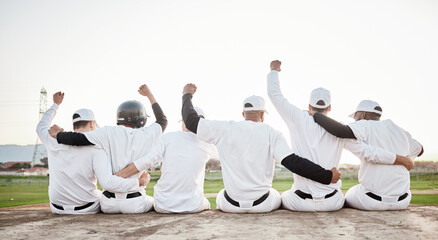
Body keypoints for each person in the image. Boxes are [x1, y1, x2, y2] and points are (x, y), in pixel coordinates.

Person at [267, 60, 413, 212]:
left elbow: (274, 94)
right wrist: (398, 158)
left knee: (280, 196)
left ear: (309, 106)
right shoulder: (340, 128)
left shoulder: (296, 117)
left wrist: (274, 70)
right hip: (332, 203)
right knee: (347, 194)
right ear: (330, 107)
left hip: (300, 202)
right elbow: (368, 152)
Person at [181, 83, 341, 213]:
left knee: (220, 195)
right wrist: (326, 176)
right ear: (263, 115)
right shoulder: (272, 132)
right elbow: (293, 162)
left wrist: (187, 95)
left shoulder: (224, 129)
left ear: (243, 114)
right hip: (263, 205)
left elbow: (191, 121)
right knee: (280, 196)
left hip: (230, 205)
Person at [48, 84, 168, 213]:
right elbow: (162, 120)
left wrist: (58, 134)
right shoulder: (148, 134)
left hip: (108, 204)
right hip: (135, 202)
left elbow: (79, 139)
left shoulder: (106, 132)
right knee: (154, 202)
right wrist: (149, 95)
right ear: (142, 119)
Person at [311, 99, 423, 210]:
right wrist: (404, 155)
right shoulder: (400, 131)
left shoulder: (364, 125)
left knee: (348, 193)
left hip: (371, 202)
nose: (355, 121)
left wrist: (315, 114)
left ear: (363, 115)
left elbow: (341, 131)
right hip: (403, 201)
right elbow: (420, 149)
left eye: (355, 117)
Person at [115, 107, 218, 213]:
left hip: (163, 205)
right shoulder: (207, 143)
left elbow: (146, 161)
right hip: (193, 206)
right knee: (207, 203)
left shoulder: (168, 137)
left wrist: (117, 176)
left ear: (184, 122)